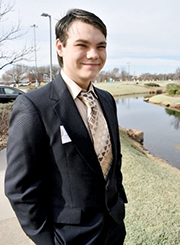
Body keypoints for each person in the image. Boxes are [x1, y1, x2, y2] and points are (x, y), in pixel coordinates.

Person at [5, 9, 127, 245]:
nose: (94, 55)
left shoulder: (107, 100)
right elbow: (20, 188)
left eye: (101, 46)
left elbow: (115, 161)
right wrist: (47, 240)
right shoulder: (33, 106)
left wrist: (118, 200)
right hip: (69, 237)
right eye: (82, 45)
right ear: (60, 47)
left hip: (114, 229)